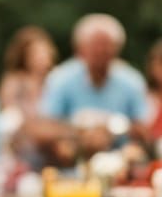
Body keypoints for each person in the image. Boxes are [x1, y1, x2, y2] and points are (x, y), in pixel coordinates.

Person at [31, 13, 148, 162]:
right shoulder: (61, 79)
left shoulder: (132, 81)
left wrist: (112, 131)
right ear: (80, 49)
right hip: (70, 166)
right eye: (95, 46)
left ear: (117, 49)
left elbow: (144, 130)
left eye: (106, 46)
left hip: (121, 166)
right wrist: (80, 134)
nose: (100, 52)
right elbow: (43, 128)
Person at [0, 26, 57, 167]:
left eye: (44, 52)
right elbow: (10, 115)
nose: (42, 58)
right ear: (25, 56)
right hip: (24, 143)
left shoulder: (56, 80)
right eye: (36, 53)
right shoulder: (13, 82)